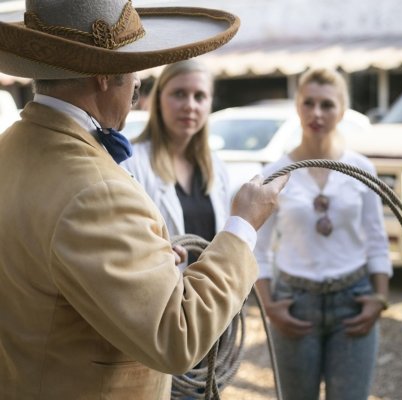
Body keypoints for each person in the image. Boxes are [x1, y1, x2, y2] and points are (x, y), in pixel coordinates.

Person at [0, 1, 288, 399]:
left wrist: (145, 263)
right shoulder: (96, 190)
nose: (137, 83)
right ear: (104, 75)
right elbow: (178, 337)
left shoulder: (9, 150)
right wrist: (243, 227)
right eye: (133, 67)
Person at [254, 68, 392, 400]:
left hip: (352, 300)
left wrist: (380, 298)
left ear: (342, 110)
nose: (317, 113)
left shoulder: (361, 168)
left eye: (327, 105)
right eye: (309, 103)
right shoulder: (275, 173)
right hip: (295, 302)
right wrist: (269, 305)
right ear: (297, 106)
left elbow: (377, 237)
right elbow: (257, 248)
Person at [122, 59, 229, 267]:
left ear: (209, 103)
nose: (190, 106)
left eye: (199, 96)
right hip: (162, 292)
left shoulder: (217, 167)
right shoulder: (131, 162)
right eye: (179, 94)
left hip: (208, 295)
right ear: (159, 99)